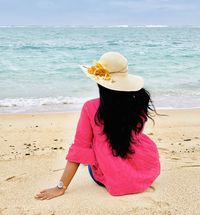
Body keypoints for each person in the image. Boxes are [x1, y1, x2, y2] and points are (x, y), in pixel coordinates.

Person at [34, 51, 161, 200]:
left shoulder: (90, 108)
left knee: (94, 142)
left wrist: (60, 187)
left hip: (111, 176)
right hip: (143, 169)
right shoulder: (139, 102)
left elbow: (80, 148)